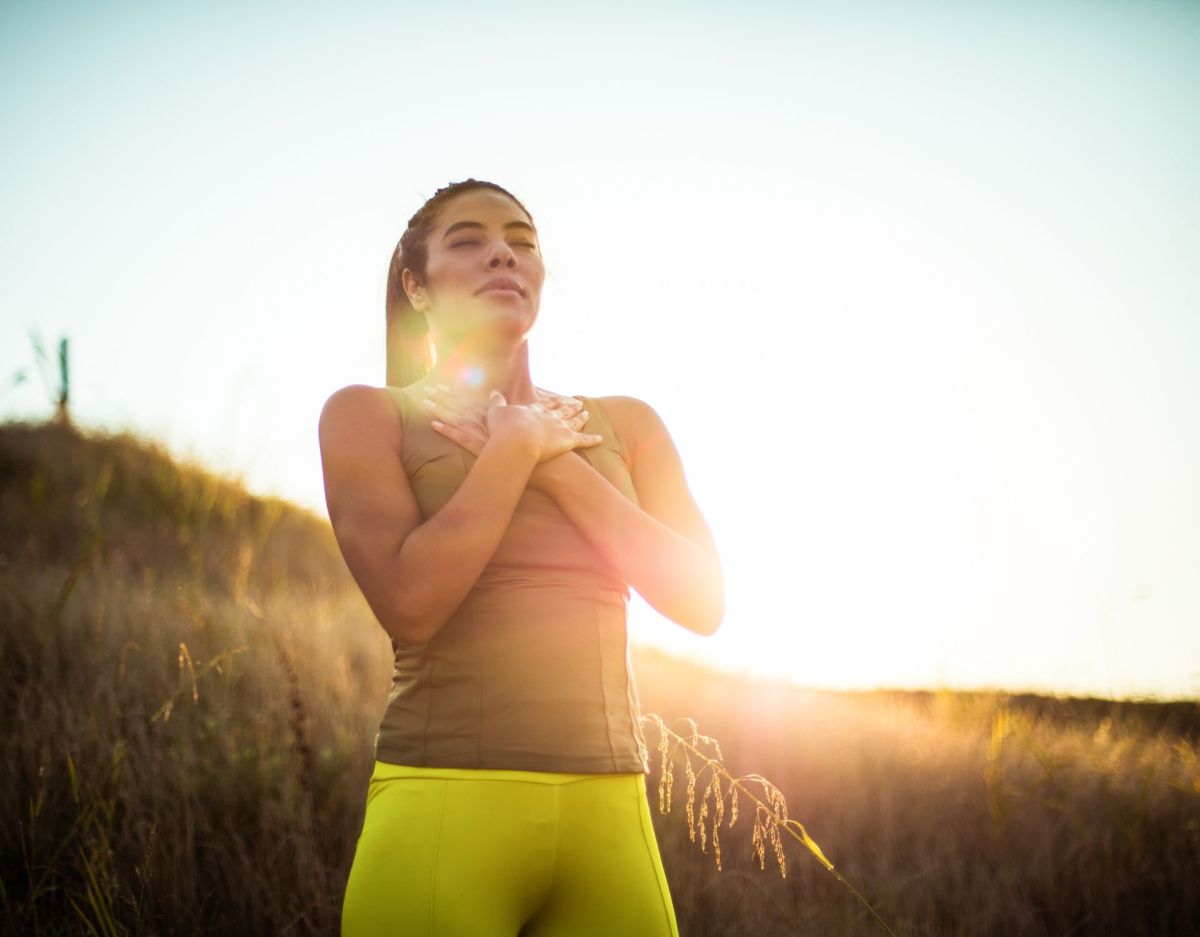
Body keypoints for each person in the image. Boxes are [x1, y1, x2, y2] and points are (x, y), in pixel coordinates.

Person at [319, 179, 724, 937]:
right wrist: (509, 451)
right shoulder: (367, 416)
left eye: (522, 239)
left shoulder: (624, 423)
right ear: (417, 285)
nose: (503, 250)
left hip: (612, 819)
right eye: (466, 239)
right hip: (443, 814)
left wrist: (551, 457)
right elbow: (412, 603)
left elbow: (703, 601)